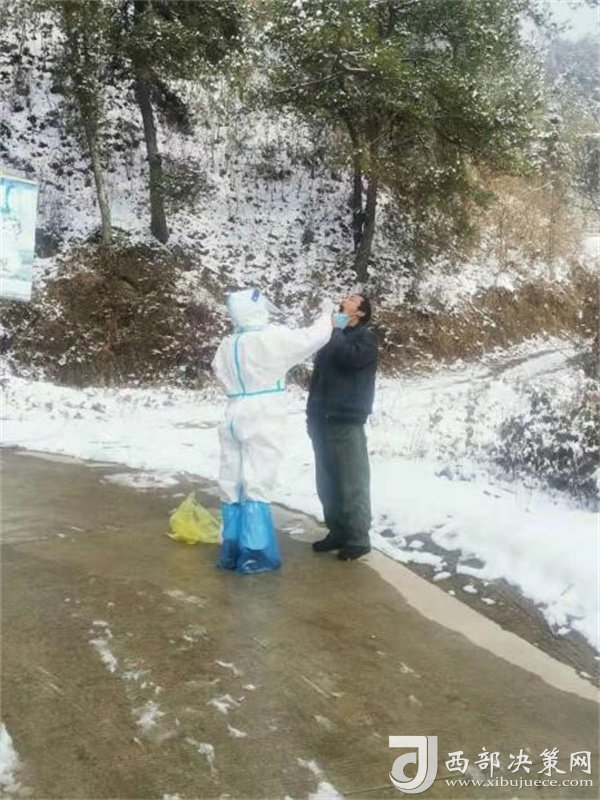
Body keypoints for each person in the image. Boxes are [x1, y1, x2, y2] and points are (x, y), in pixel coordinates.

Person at [212, 288, 333, 574]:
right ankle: (256, 553)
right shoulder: (272, 338)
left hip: (233, 410)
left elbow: (217, 371)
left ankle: (231, 549)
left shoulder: (227, 344)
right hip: (263, 411)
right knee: (257, 478)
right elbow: (312, 338)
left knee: (232, 479)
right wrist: (327, 316)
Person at [307, 293, 377, 560]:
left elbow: (349, 359)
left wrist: (336, 330)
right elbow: (318, 378)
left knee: (352, 480)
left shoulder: (365, 339)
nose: (345, 299)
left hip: (346, 419)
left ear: (360, 312)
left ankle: (358, 538)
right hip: (321, 419)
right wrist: (310, 414)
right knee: (327, 481)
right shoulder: (332, 337)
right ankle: (336, 532)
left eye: (352, 299)